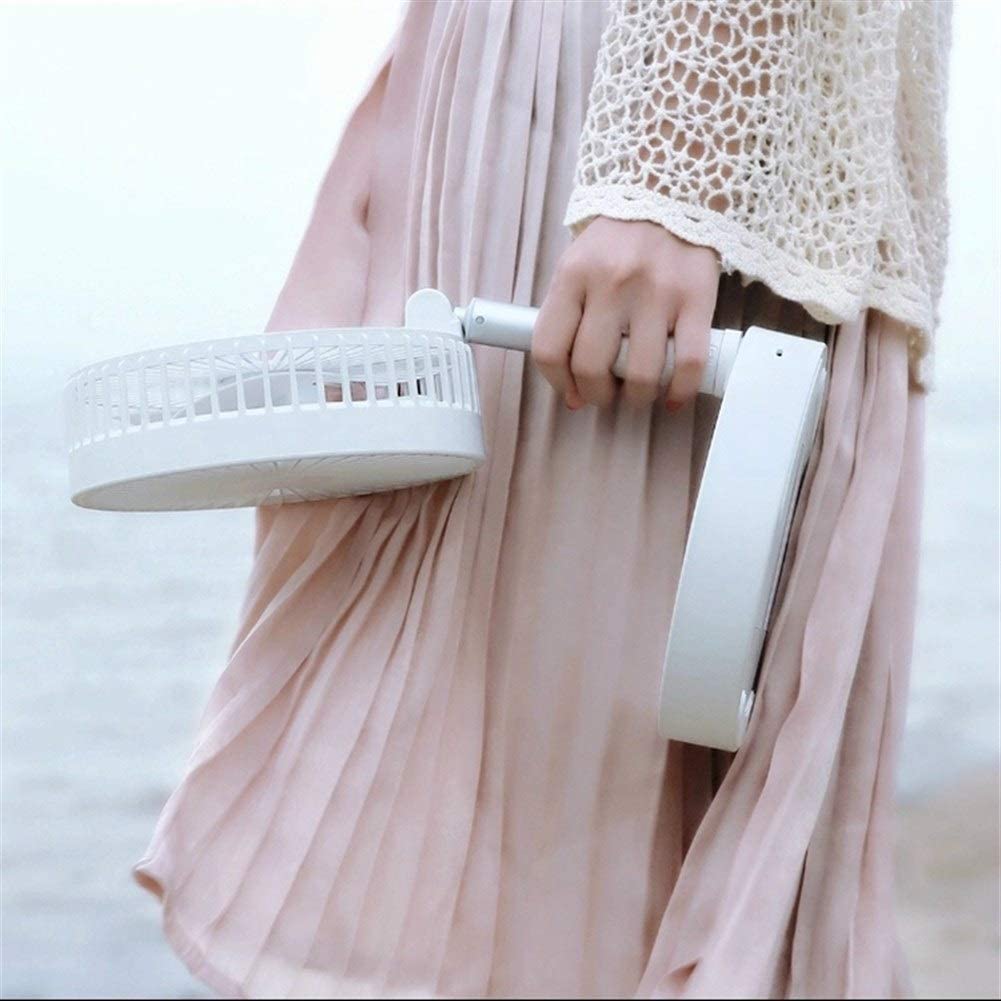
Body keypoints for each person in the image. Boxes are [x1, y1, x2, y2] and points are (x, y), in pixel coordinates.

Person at [134, 2, 951, 997]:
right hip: (613, 114)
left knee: (570, 852)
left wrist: (671, 162)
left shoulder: (670, 150)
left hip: (660, 115)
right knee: (516, 834)